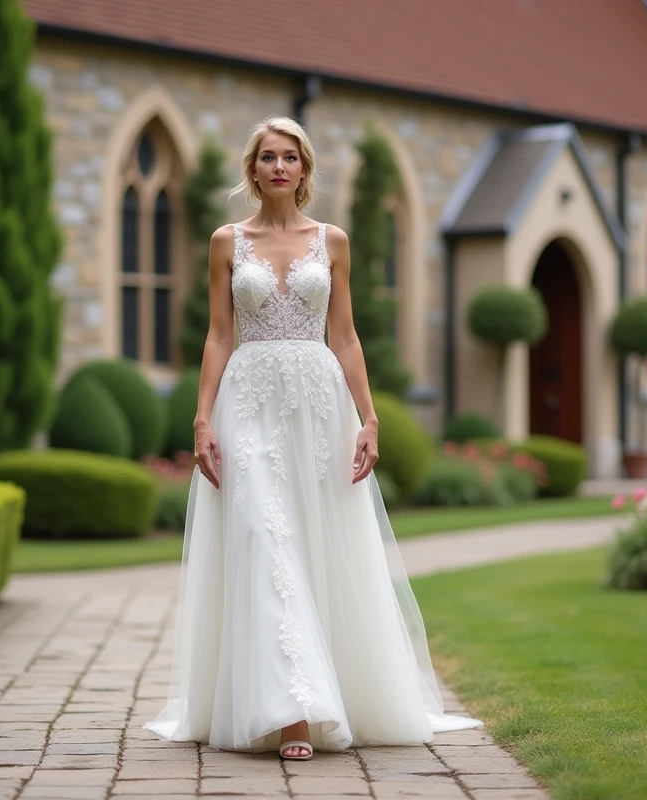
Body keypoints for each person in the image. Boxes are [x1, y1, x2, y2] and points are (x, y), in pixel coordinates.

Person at [144, 116, 480, 760]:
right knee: (260, 535)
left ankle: (328, 690)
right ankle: (293, 713)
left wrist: (370, 417)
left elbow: (345, 335)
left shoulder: (333, 241)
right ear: (253, 169)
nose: (278, 167)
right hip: (247, 400)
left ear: (304, 170)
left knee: (315, 542)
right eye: (267, 157)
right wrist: (202, 417)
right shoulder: (225, 243)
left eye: (289, 158)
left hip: (319, 404)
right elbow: (217, 335)